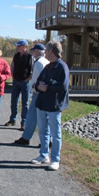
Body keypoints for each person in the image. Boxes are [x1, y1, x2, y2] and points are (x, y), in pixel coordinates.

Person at [31, 41, 70, 171]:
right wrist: (39, 87)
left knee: (55, 133)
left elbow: (62, 86)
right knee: (42, 130)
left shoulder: (62, 67)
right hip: (42, 104)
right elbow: (36, 84)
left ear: (51, 52)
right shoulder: (48, 66)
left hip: (54, 106)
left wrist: (46, 87)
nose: (44, 53)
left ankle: (55, 160)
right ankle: (43, 155)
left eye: (46, 51)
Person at [14, 43, 49, 145]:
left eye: (34, 51)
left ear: (38, 52)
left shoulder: (39, 63)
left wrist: (35, 85)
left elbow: (42, 78)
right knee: (41, 117)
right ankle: (45, 140)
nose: (33, 53)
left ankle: (27, 138)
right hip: (42, 92)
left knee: (32, 116)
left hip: (38, 92)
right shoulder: (45, 61)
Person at [5, 39, 33, 131]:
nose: (17, 47)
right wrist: (13, 77)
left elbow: (32, 70)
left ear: (24, 46)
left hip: (25, 82)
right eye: (17, 46)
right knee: (14, 102)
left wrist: (28, 79)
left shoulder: (29, 56)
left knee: (25, 104)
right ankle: (12, 119)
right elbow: (12, 66)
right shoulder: (16, 56)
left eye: (19, 46)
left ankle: (24, 122)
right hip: (16, 81)